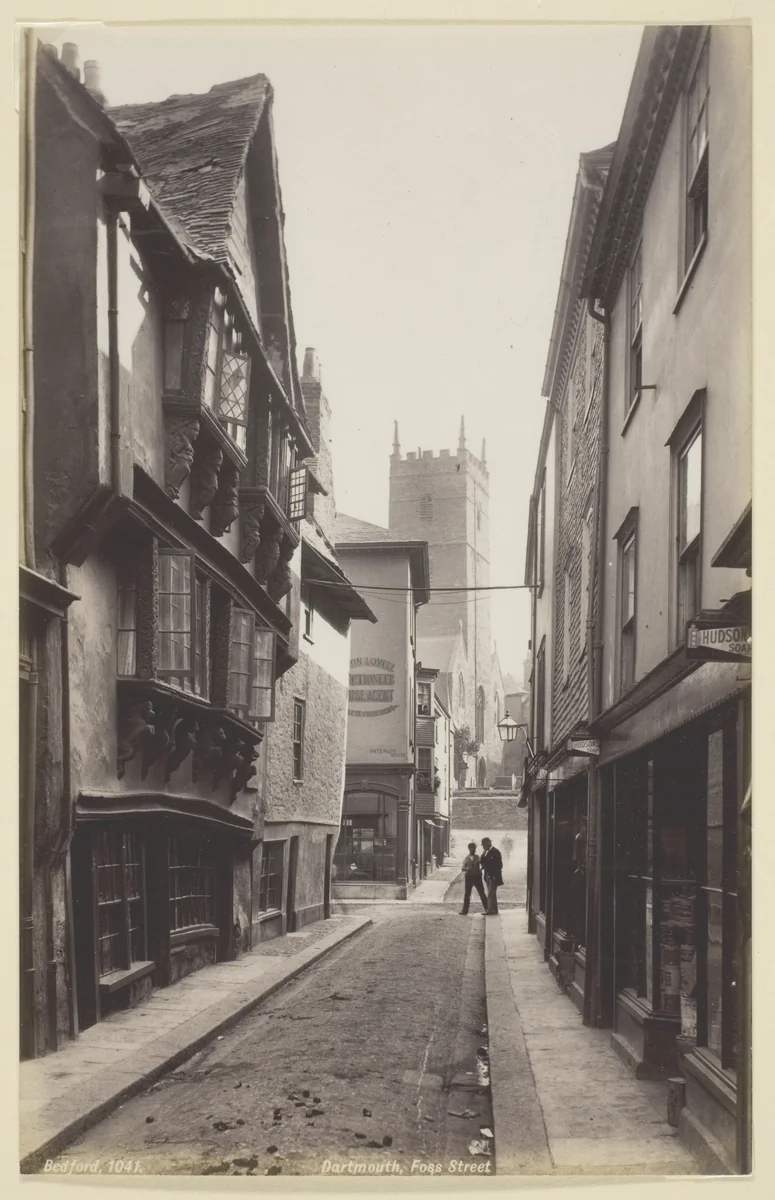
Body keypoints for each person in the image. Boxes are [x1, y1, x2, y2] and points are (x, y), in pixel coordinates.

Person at [459, 842, 488, 915]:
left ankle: (487, 909)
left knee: (482, 894)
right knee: (467, 895)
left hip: (477, 877)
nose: (473, 850)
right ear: (469, 849)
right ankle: (464, 911)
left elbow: (483, 863)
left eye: (474, 848)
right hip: (469, 877)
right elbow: (462, 868)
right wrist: (466, 869)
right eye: (471, 848)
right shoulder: (466, 858)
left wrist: (481, 870)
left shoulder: (478, 857)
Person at [481, 837, 503, 915]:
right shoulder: (487, 852)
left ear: (488, 843)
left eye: (483, 845)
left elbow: (499, 865)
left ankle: (490, 910)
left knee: (490, 893)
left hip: (493, 875)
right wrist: (484, 853)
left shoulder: (495, 852)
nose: (483, 846)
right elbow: (482, 861)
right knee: (492, 893)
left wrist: (494, 875)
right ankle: (494, 909)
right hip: (488, 875)